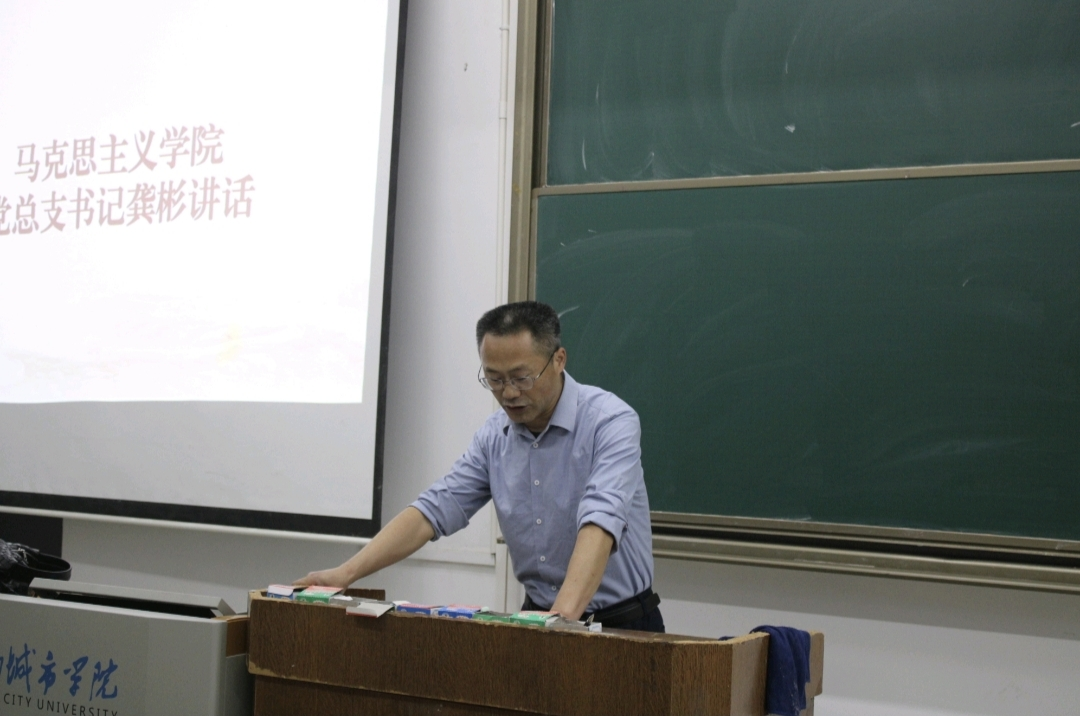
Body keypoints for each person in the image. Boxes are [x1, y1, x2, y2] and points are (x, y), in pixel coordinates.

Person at [296, 301, 663, 632]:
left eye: (521, 378)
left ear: (559, 360)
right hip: (539, 620)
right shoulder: (494, 436)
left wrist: (561, 621)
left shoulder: (609, 422)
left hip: (621, 625)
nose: (509, 393)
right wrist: (344, 574)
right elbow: (434, 509)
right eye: (494, 379)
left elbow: (600, 521)